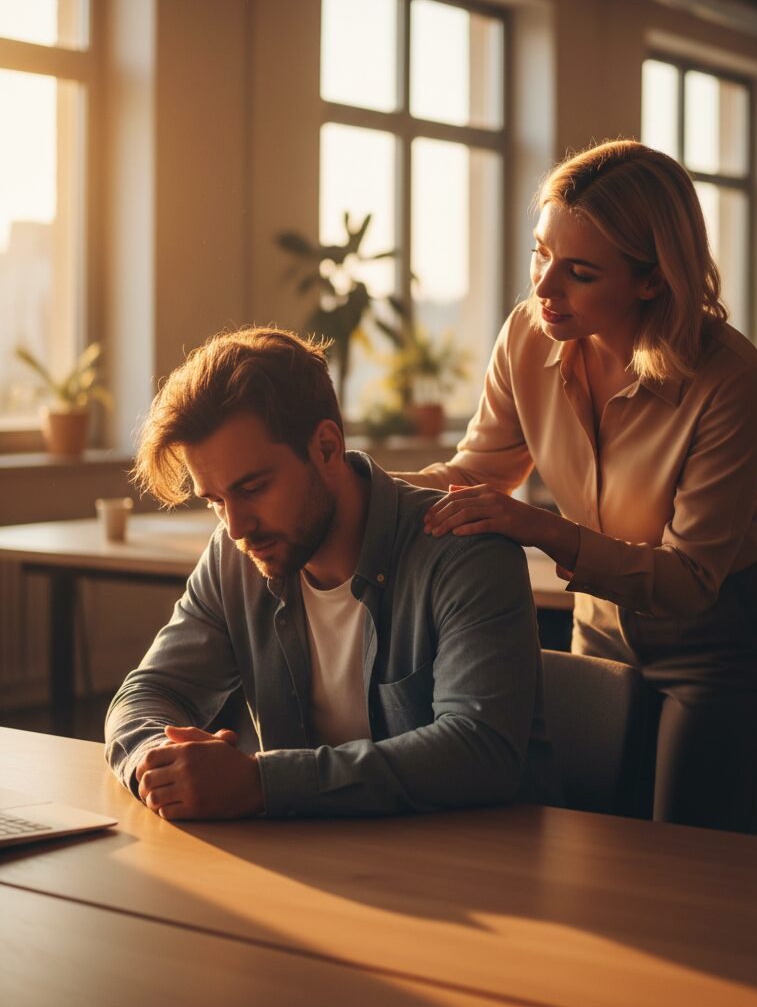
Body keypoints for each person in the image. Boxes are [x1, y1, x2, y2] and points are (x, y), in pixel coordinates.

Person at [395, 139, 757, 834]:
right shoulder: (526, 335)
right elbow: (478, 472)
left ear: (651, 279)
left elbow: (693, 577)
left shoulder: (730, 379)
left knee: (691, 869)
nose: (543, 289)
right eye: (539, 254)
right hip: (602, 631)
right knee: (593, 850)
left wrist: (542, 528)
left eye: (578, 272)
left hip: (717, 640)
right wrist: (349, 484)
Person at [105, 326, 556, 820]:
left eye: (253, 488)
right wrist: (161, 768)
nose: (235, 526)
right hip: (313, 866)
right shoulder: (233, 557)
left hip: (479, 871)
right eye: (215, 501)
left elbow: (480, 752)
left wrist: (262, 782)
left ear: (325, 446)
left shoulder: (465, 553)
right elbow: (147, 695)